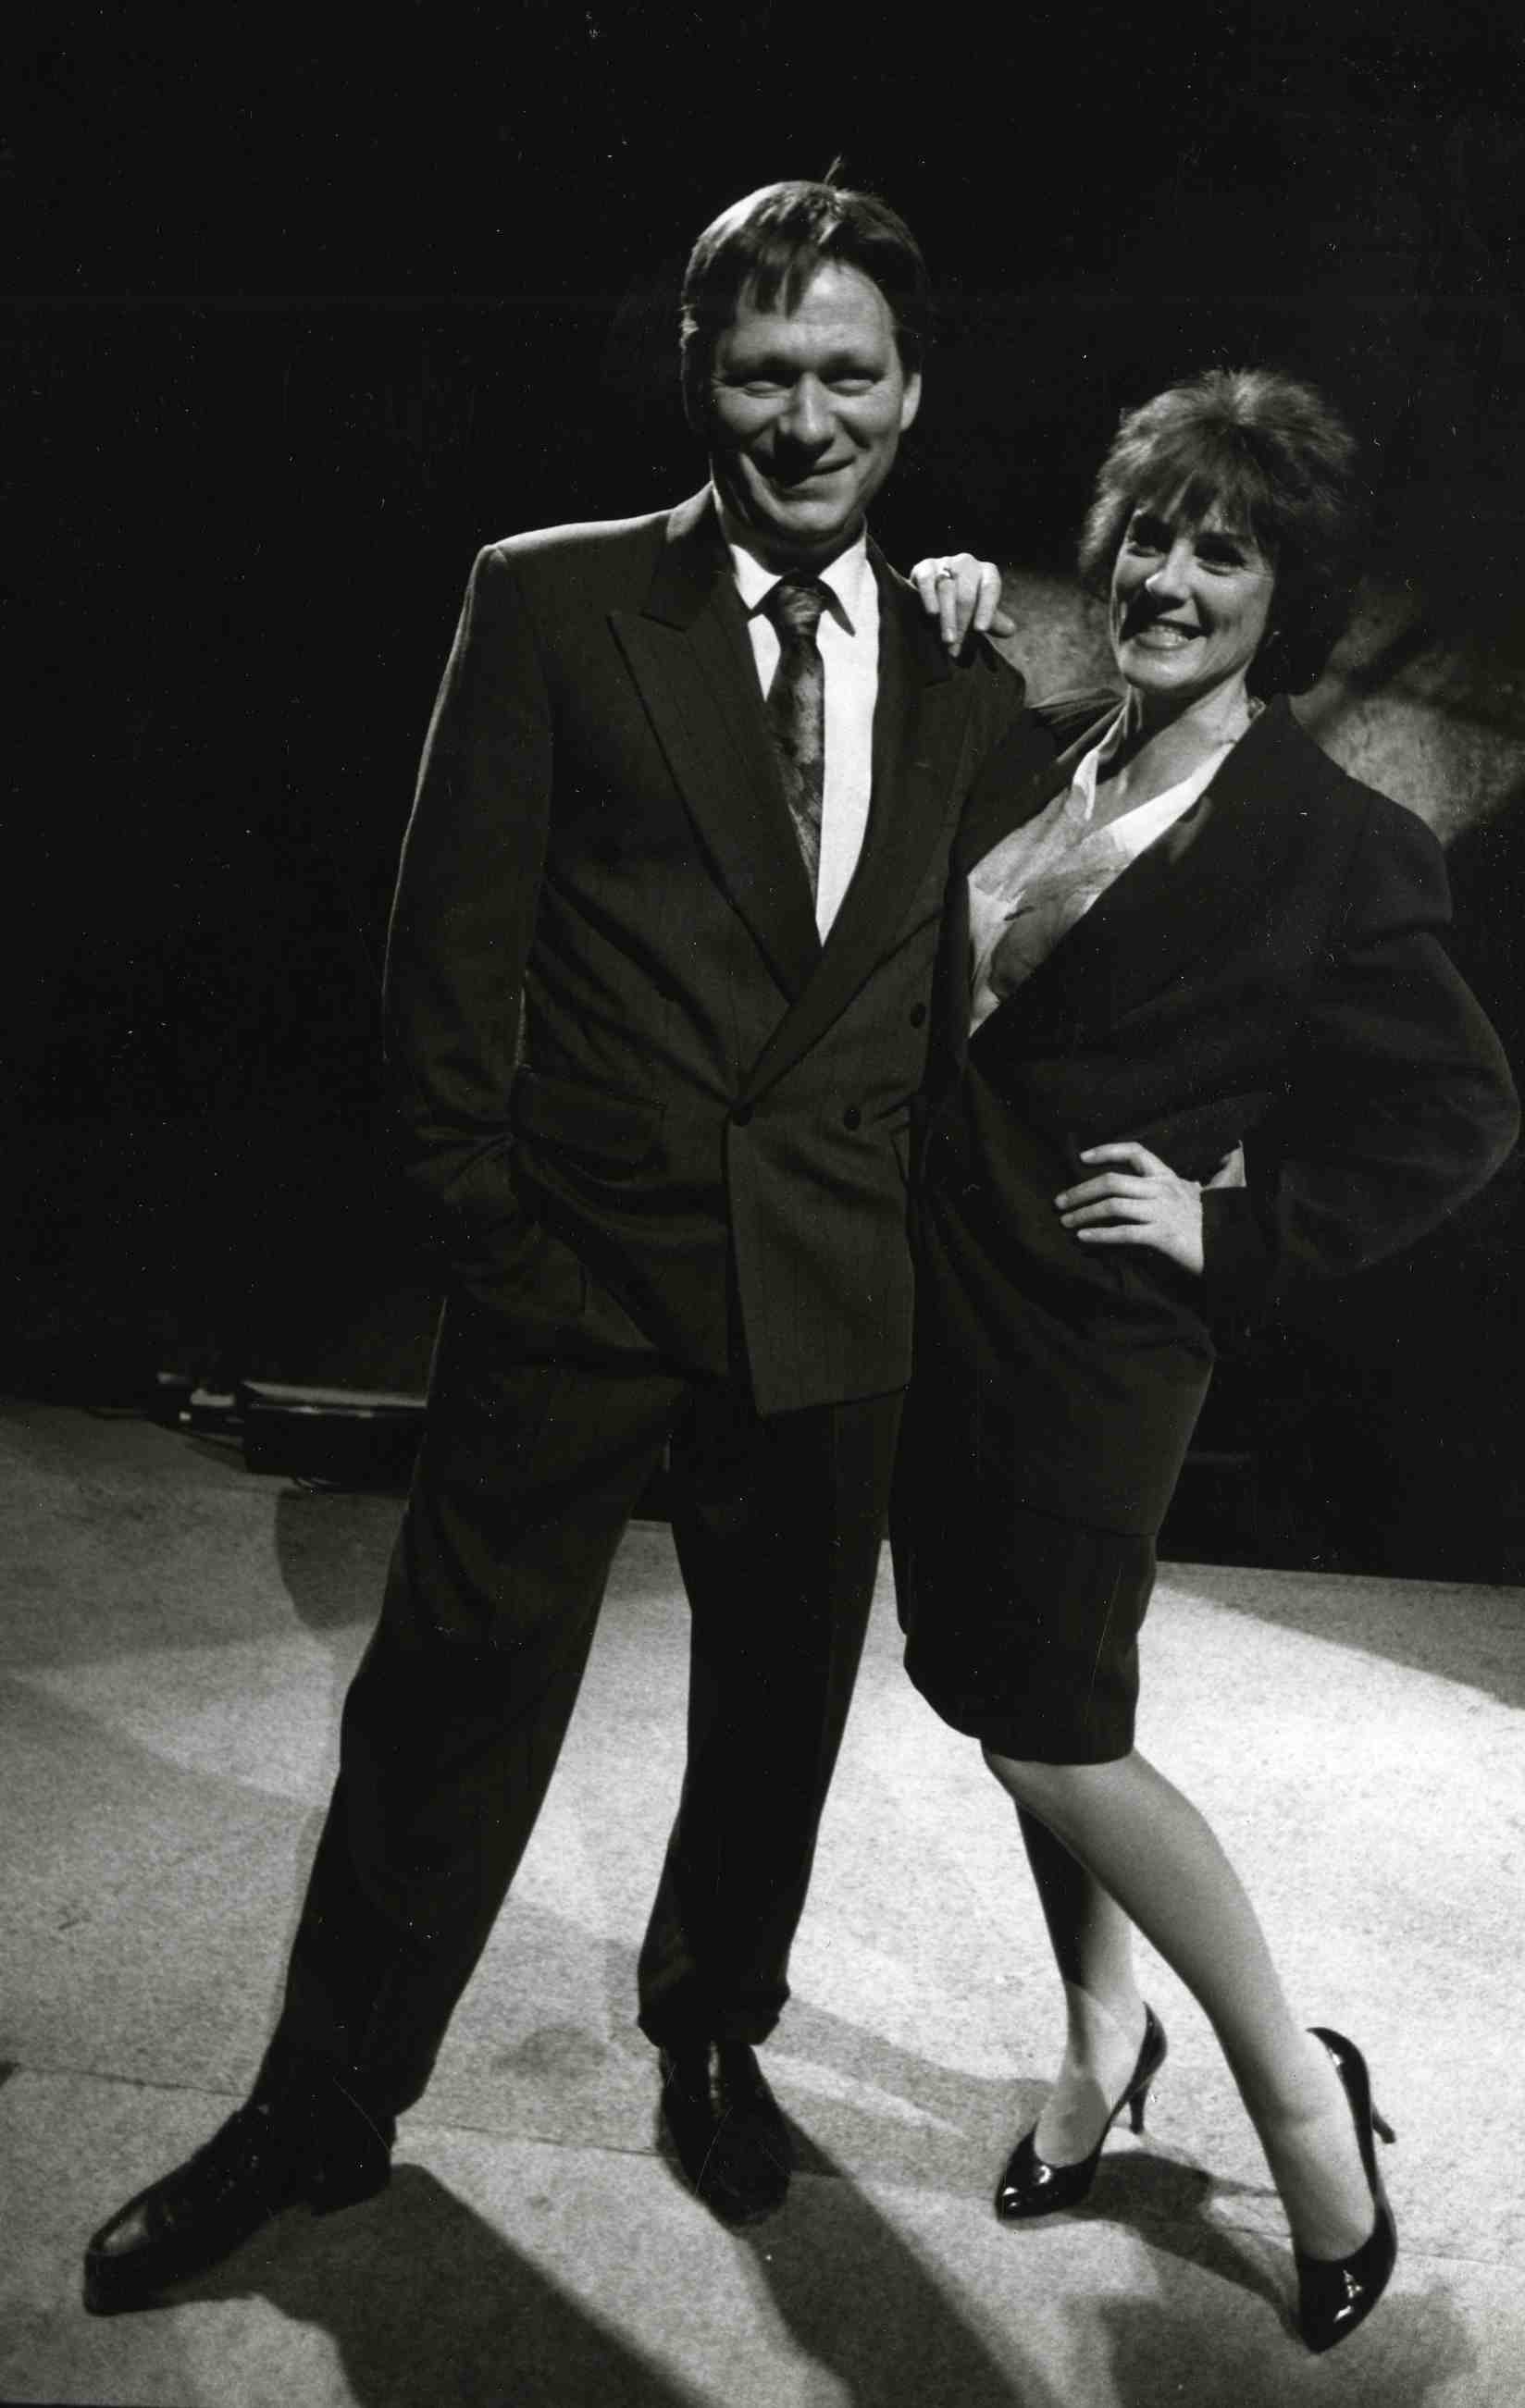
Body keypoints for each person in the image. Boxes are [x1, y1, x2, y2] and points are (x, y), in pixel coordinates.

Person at [81, 179, 1038, 2312]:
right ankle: (320, 2106)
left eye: (848, 374)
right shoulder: (550, 598)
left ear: (912, 392)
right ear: (697, 377)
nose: (805, 420)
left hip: (829, 1302)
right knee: (446, 1712)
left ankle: (712, 2038)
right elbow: (445, 970)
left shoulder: (966, 661)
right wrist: (498, 1244)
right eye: (762, 373)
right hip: (575, 1285)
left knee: (774, 1718)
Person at [892, 368, 1519, 2355]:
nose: (1168, 579)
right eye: (1150, 536)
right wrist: (932, 616)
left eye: (1222, 554)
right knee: (1001, 1693)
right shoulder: (1035, 748)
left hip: (1096, 1340)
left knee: (1050, 1726)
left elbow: (1457, 1115)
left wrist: (1232, 1227)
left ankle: (1300, 2100)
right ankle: (1101, 2042)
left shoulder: (1335, 842)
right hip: (940, 1307)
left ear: (1284, 596)